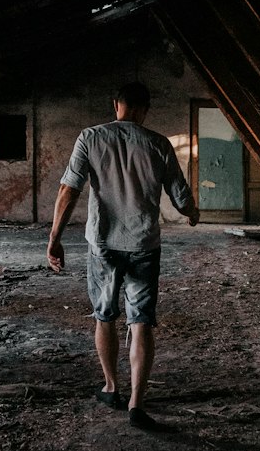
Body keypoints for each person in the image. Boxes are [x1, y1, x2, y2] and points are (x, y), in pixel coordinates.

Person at [47, 80, 199, 431]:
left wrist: (54, 237)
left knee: (105, 315)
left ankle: (111, 387)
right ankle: (136, 403)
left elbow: (68, 190)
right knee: (141, 320)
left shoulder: (90, 138)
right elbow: (180, 197)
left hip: (103, 244)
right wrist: (192, 213)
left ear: (117, 104)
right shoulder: (159, 144)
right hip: (144, 245)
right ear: (145, 109)